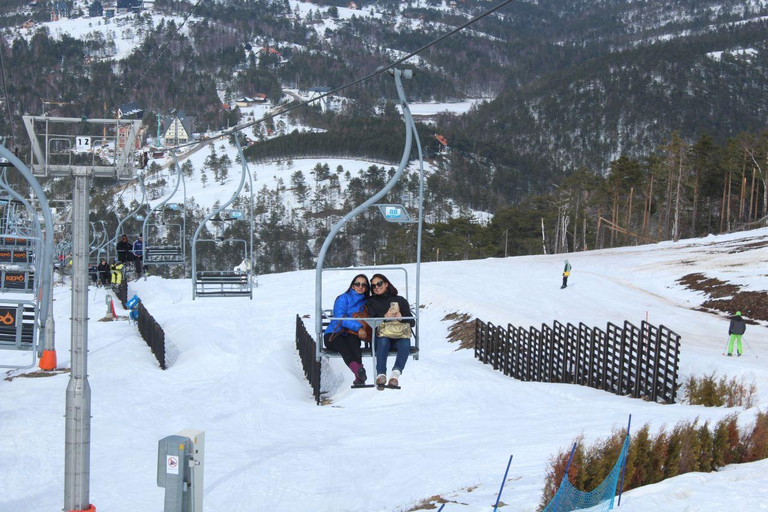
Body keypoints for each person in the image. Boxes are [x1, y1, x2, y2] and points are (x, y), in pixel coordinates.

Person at [365, 273, 414, 388]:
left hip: (398, 335)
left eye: (379, 283)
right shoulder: (371, 302)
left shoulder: (400, 300)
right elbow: (370, 323)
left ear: (386, 284)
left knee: (405, 342)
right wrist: (384, 317)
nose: (376, 287)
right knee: (383, 341)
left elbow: (412, 322)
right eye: (373, 286)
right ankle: (381, 374)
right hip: (381, 336)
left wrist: (401, 317)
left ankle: (395, 374)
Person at [324, 274, 371, 385]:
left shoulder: (366, 302)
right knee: (344, 347)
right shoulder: (343, 298)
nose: (360, 286)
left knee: (355, 344)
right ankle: (358, 371)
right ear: (352, 286)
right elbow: (339, 318)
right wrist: (358, 327)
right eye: (357, 284)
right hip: (334, 334)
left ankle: (359, 377)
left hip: (351, 334)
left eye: (364, 285)